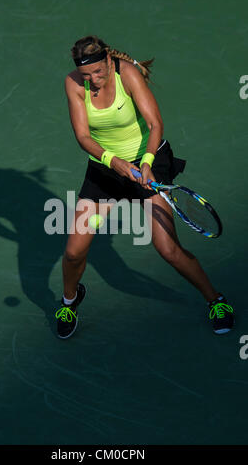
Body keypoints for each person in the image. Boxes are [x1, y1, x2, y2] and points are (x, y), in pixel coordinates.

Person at [54, 35, 234, 339]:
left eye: (99, 72)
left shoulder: (129, 74)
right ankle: (69, 301)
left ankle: (216, 300)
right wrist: (117, 164)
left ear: (109, 62)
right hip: (106, 169)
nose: (94, 80)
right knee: (74, 251)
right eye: (87, 75)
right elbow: (84, 137)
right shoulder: (73, 84)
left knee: (168, 250)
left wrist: (147, 162)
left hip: (148, 161)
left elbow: (155, 124)